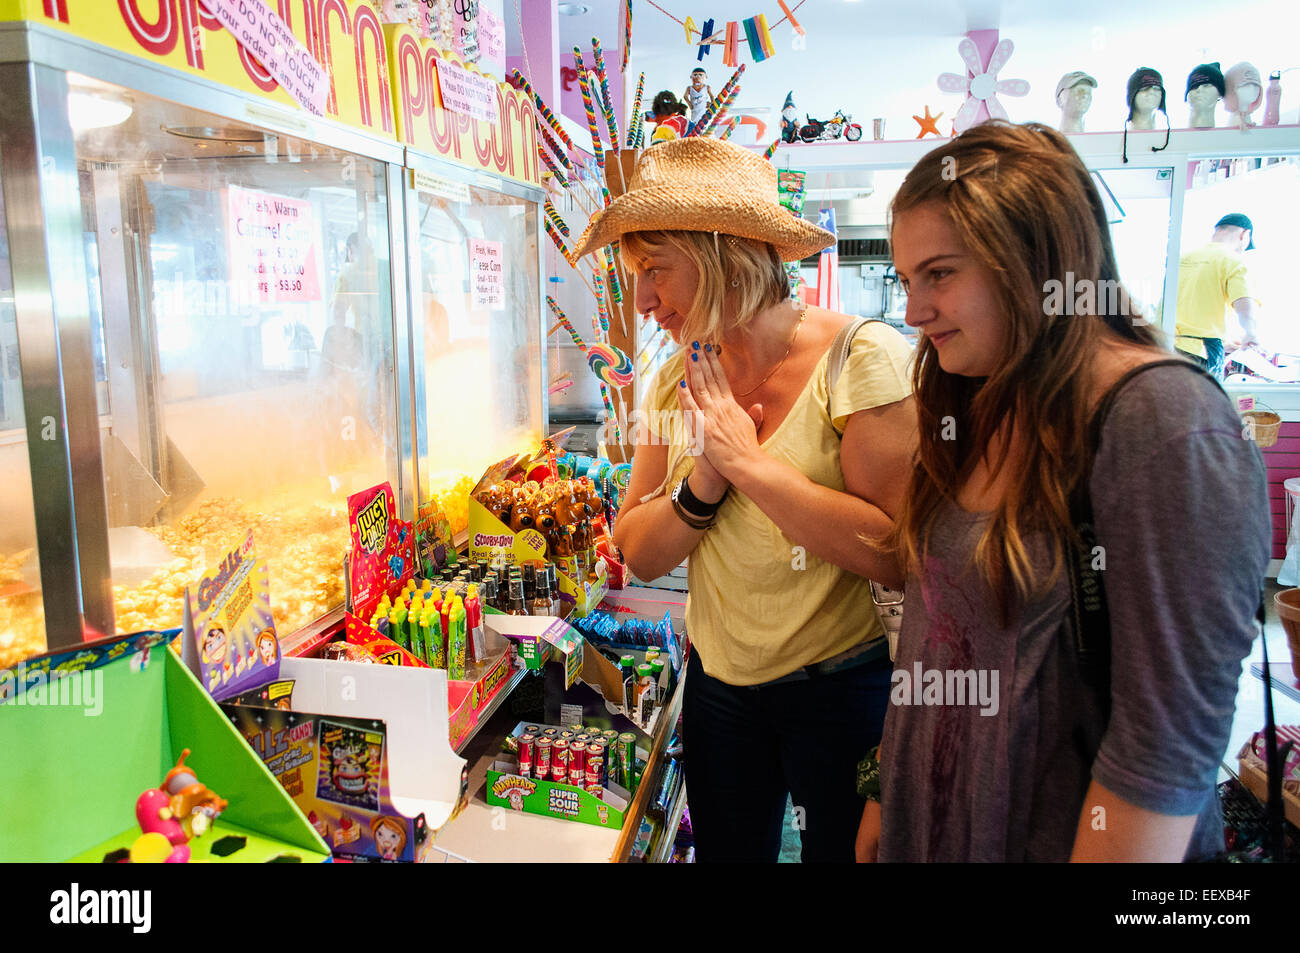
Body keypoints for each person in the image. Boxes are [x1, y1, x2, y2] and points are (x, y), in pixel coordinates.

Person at [857, 121, 1269, 863]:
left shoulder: (1161, 422)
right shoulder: (981, 395)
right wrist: (886, 785)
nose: (914, 312)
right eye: (906, 280)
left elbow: (1160, 758)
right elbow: (934, 627)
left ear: (1033, 258)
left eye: (940, 273)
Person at [572, 137, 917, 862]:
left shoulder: (860, 356)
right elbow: (636, 548)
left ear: (721, 254)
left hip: (842, 690)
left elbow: (896, 551)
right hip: (720, 692)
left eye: (655, 270)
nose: (642, 299)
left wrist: (747, 464)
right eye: (636, 274)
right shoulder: (672, 382)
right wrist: (706, 483)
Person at [1174, 213, 1259, 378]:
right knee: (1202, 403)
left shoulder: (1183, 258)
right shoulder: (1233, 260)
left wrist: (1225, 342)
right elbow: (1244, 307)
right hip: (1202, 354)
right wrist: (1251, 334)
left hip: (1166, 347)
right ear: (1244, 235)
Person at [683, 68, 714, 135]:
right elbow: (685, 96)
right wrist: (690, 104)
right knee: (694, 124)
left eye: (700, 75)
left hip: (703, 109)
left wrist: (712, 104)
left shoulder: (706, 87)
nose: (698, 77)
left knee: (704, 124)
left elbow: (712, 96)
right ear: (691, 77)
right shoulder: (689, 88)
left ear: (705, 77)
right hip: (694, 110)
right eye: (695, 75)